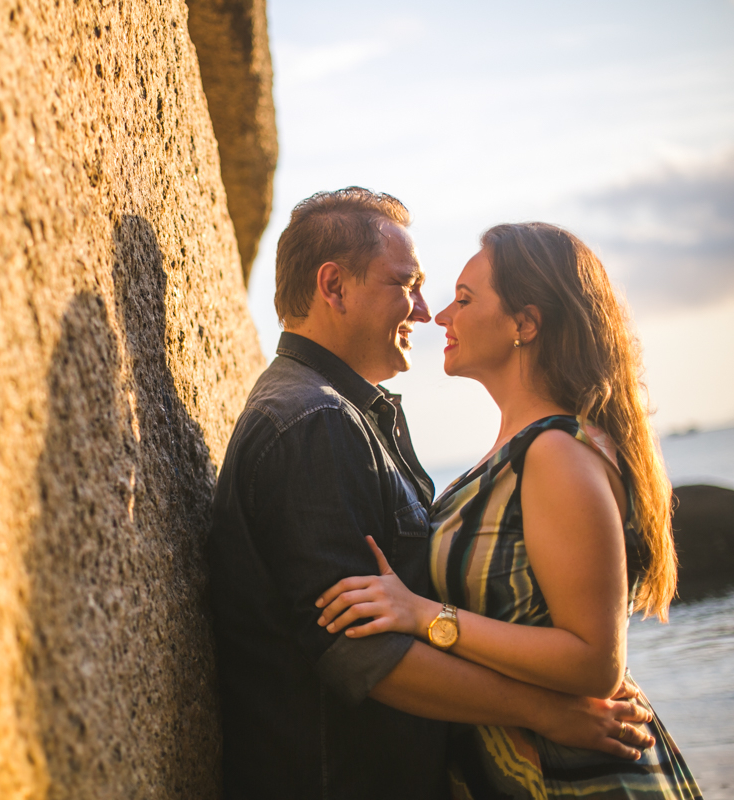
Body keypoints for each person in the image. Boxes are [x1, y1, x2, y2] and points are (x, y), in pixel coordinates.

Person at [208, 189, 656, 800]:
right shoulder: (313, 421)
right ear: (334, 287)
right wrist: (545, 711)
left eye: (451, 296)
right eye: (406, 284)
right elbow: (364, 652)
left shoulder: (347, 417)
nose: (427, 311)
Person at [313, 222, 701, 797]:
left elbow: (597, 662)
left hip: (580, 777)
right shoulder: (521, 451)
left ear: (525, 323)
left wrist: (424, 615)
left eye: (464, 300)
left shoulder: (555, 453)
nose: (441, 316)